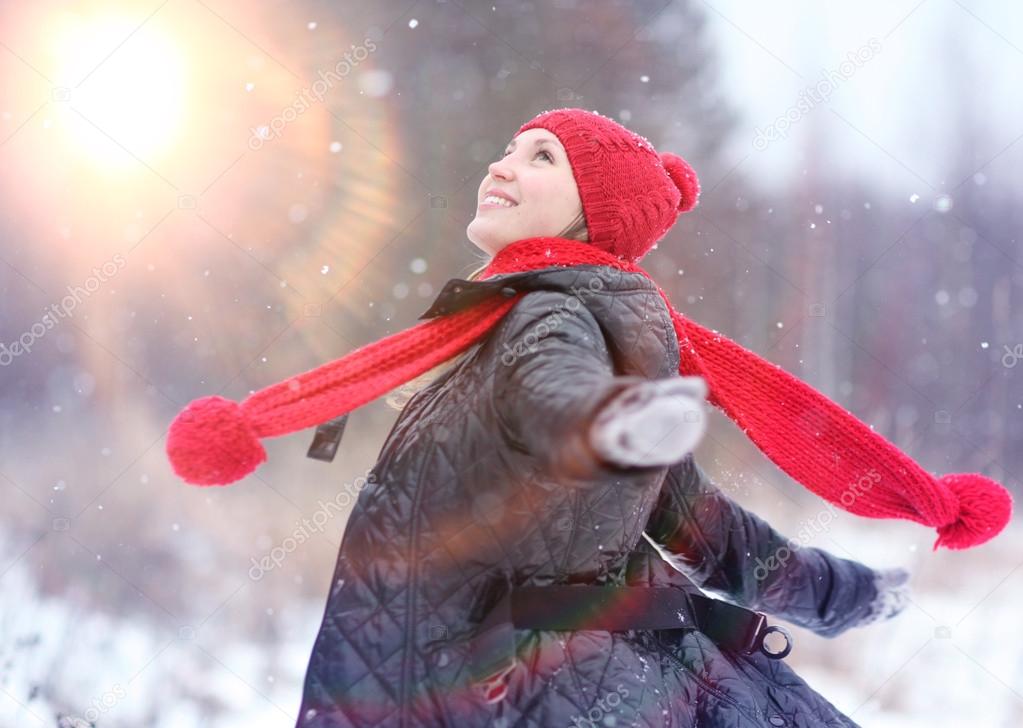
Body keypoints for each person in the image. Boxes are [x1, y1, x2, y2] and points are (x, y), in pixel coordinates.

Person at [165, 108, 1011, 727]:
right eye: (505, 147)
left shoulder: (550, 318)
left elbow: (556, 399)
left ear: (589, 216)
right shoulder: (550, 318)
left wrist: (606, 426)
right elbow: (704, 529)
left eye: (539, 157)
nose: (500, 164)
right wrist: (845, 592)